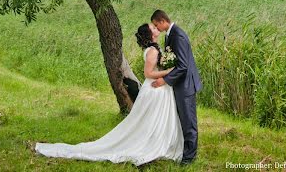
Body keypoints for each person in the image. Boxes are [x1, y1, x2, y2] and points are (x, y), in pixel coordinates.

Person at [34, 22, 184, 166]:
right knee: (150, 119)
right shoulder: (152, 51)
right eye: (153, 28)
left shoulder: (154, 49)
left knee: (155, 118)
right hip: (154, 89)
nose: (156, 28)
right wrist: (170, 72)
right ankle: (151, 144)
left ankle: (158, 141)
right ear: (150, 34)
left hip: (158, 89)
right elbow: (148, 73)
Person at [151, 9, 202, 165]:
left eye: (156, 25)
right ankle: (184, 151)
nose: (156, 29)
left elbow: (183, 66)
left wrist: (164, 80)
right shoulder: (170, 34)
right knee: (183, 120)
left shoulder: (177, 35)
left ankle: (189, 159)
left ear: (162, 21)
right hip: (181, 84)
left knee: (188, 122)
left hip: (186, 85)